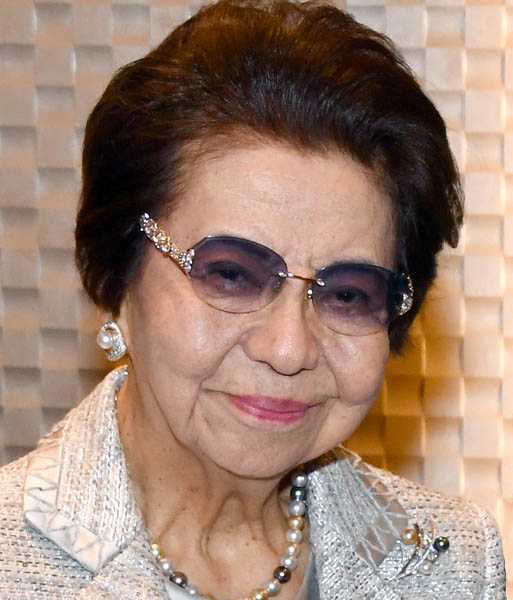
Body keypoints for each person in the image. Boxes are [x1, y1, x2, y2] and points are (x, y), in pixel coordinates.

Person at [0, 1, 506, 598]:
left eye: (347, 294)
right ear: (118, 278)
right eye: (232, 275)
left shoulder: (454, 565)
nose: (288, 350)